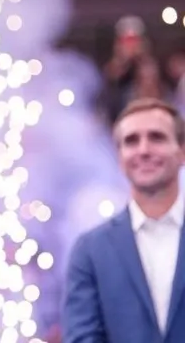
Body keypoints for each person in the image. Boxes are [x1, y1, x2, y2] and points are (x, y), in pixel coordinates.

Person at [62, 97, 185, 342]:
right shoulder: (90, 251)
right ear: (120, 158)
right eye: (131, 141)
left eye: (157, 137)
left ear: (182, 151)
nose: (144, 150)